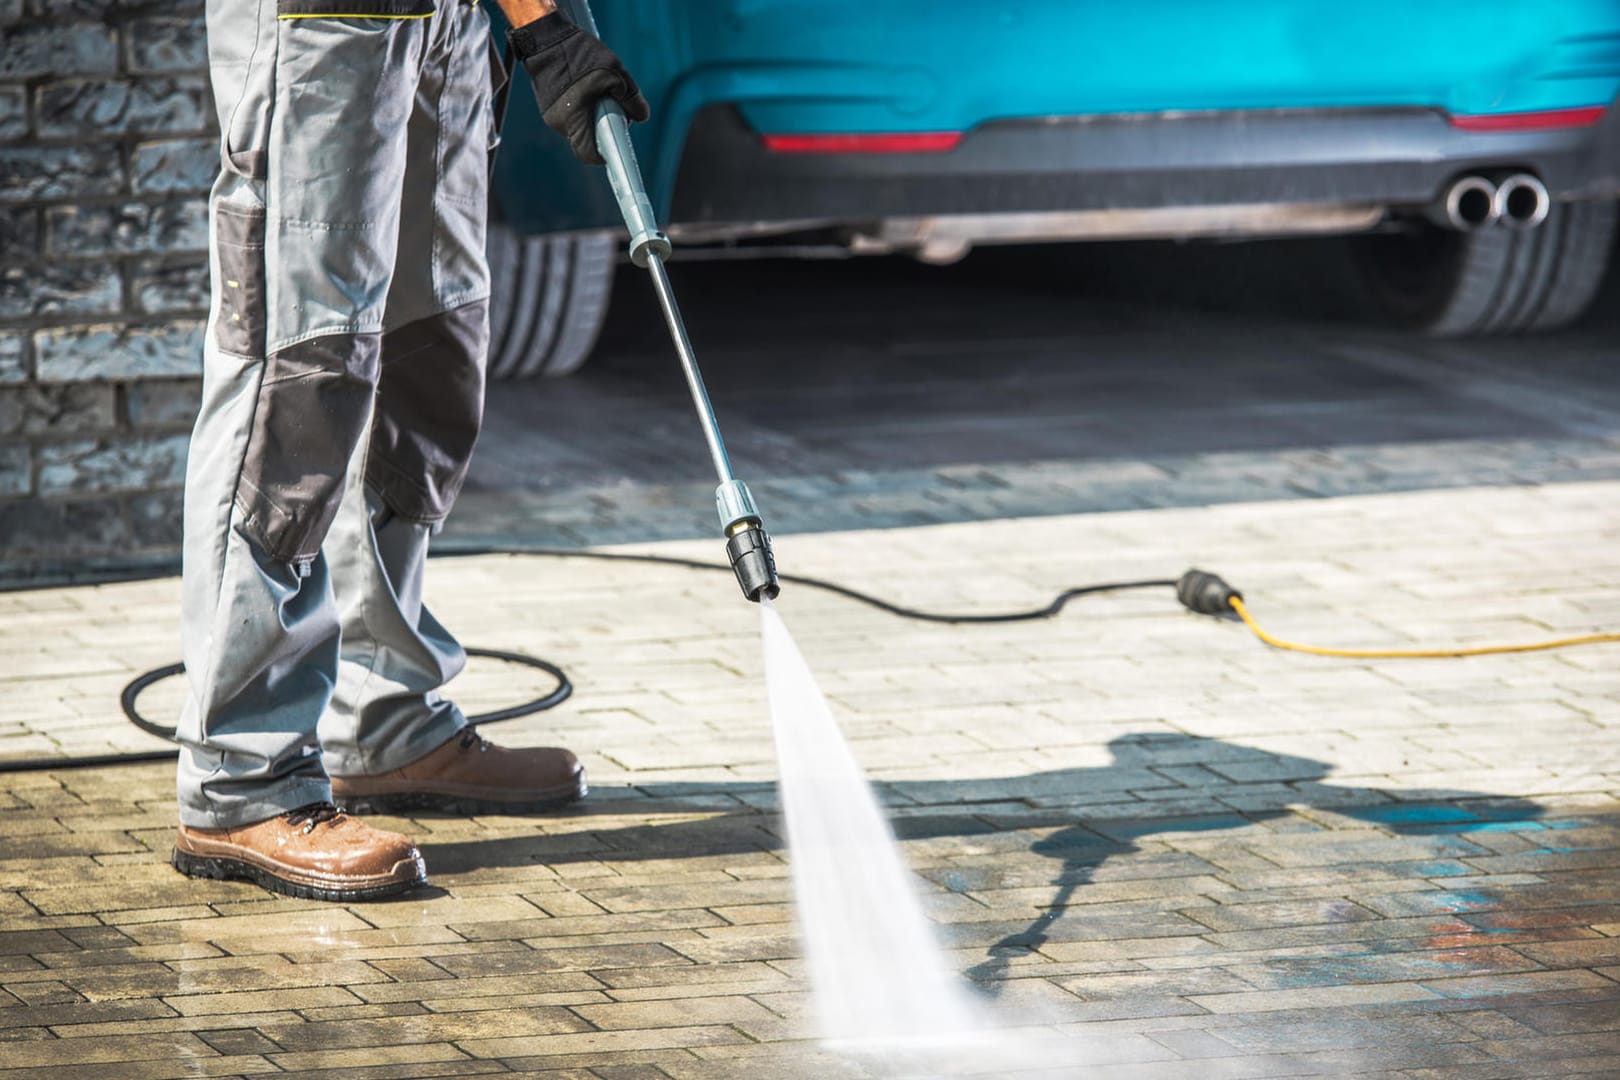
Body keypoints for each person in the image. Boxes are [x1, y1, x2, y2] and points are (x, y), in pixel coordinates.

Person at [171, 0, 648, 901]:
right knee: (301, 372)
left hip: (451, 25)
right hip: (324, 23)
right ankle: (243, 775)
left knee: (430, 357)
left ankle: (383, 717)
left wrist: (543, 21)